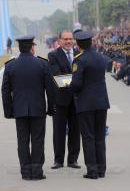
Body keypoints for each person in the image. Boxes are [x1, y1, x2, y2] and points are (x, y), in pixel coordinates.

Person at [1, 36, 54, 180]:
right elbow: (50, 89)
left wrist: (8, 111)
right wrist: (51, 108)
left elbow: (5, 90)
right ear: (32, 47)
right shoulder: (43, 64)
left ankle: (25, 172)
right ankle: (36, 172)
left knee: (22, 141)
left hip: (19, 110)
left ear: (19, 48)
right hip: (38, 109)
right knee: (37, 140)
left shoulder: (10, 65)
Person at [69, 31, 110, 179]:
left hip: (86, 103)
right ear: (92, 43)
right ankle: (101, 169)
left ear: (78, 45)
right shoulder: (101, 57)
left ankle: (92, 171)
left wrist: (69, 87)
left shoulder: (79, 60)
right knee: (99, 137)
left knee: (88, 137)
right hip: (101, 102)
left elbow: (77, 84)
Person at [48, 30, 80, 169]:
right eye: (65, 39)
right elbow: (57, 77)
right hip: (60, 100)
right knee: (59, 131)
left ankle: (73, 160)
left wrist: (74, 81)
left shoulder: (80, 54)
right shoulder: (53, 55)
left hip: (77, 100)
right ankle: (58, 160)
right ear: (59, 40)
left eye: (70, 39)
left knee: (75, 131)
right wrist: (77, 81)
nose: (68, 41)